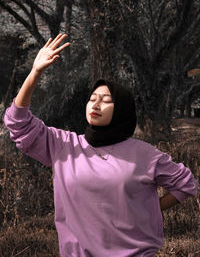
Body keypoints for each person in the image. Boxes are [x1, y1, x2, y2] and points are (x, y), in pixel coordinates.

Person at [4, 34, 198, 257]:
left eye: (106, 101)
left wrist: (148, 211)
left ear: (122, 110)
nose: (96, 104)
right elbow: (17, 123)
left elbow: (186, 184)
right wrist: (35, 73)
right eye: (92, 98)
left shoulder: (145, 155)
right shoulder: (64, 145)